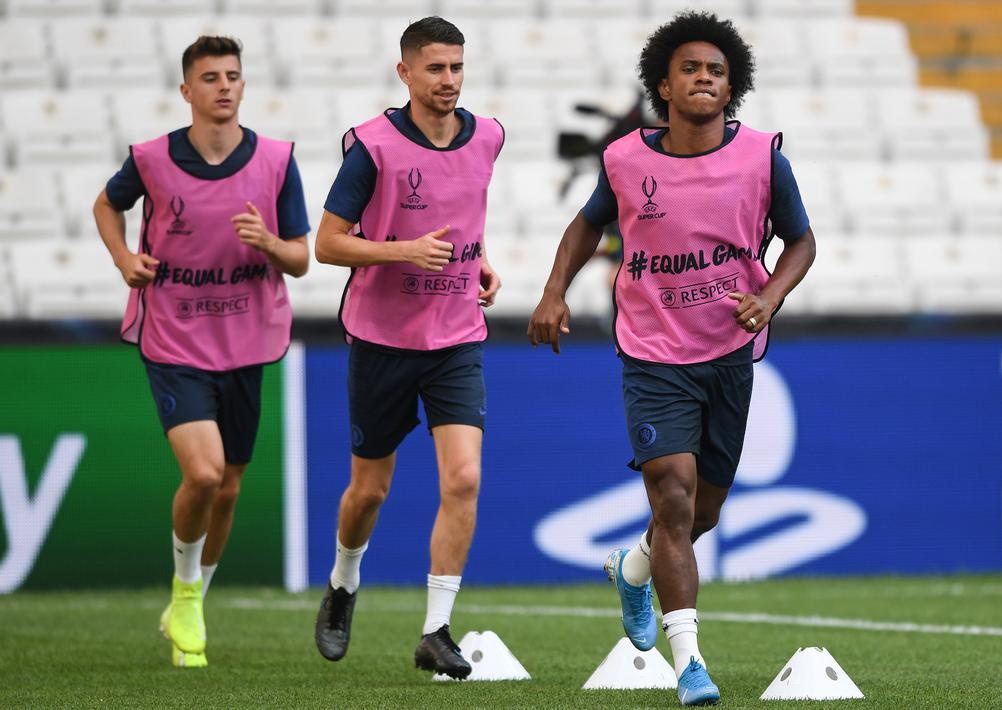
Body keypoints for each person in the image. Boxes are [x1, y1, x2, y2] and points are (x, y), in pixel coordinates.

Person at [528, 12, 815, 707]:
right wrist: (551, 292)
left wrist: (769, 295)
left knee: (700, 513)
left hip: (729, 353)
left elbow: (801, 242)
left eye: (716, 71)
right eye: (691, 68)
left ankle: (632, 568)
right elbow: (586, 223)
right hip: (653, 354)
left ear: (731, 87)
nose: (704, 79)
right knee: (673, 492)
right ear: (664, 82)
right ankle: (690, 663)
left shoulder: (761, 157)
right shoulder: (626, 159)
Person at [93, 35, 310, 668]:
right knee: (206, 472)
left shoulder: (274, 160)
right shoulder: (153, 159)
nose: (223, 86)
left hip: (245, 338)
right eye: (210, 77)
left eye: (233, 76)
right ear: (187, 91)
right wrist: (124, 258)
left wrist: (267, 242)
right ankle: (184, 592)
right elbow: (107, 205)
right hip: (174, 335)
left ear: (244, 86)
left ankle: (193, 599)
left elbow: (300, 257)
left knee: (231, 487)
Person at [310, 16, 502, 680]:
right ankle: (342, 585)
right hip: (382, 339)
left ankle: (435, 629)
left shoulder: (489, 136)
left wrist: (478, 261)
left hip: (455, 335)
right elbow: (327, 243)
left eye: (455, 67)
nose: (447, 80)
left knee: (465, 477)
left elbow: (463, 219)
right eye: (435, 68)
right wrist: (403, 251)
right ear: (406, 73)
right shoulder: (372, 147)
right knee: (369, 490)